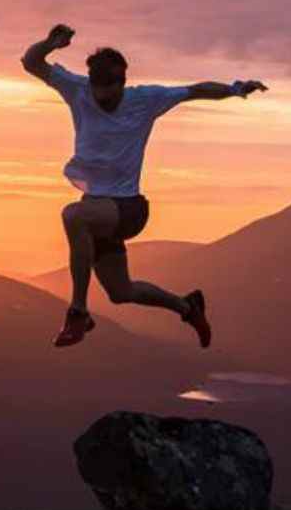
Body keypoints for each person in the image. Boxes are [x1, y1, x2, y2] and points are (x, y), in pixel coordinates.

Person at [21, 23, 267, 348]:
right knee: (121, 292)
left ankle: (78, 312)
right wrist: (51, 43)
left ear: (123, 84)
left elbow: (195, 90)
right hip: (99, 210)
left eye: (110, 91)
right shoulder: (78, 89)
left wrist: (235, 89)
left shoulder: (145, 99)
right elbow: (31, 62)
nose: (102, 97)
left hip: (128, 209)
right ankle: (187, 306)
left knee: (73, 215)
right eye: (98, 89)